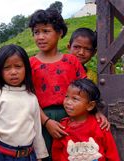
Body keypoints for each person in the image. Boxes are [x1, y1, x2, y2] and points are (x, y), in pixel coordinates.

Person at [28, 9, 109, 161]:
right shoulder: (30, 64)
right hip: (41, 119)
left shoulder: (71, 61)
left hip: (73, 119)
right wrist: (46, 121)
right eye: (36, 32)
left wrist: (95, 111)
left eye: (46, 31)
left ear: (59, 33)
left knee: (73, 155)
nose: (40, 37)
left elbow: (86, 91)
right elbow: (28, 98)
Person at [0, 44, 49, 161]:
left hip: (28, 156)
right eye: (7, 68)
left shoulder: (31, 98)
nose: (13, 72)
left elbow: (37, 131)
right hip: (2, 155)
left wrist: (40, 155)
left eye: (18, 66)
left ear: (26, 69)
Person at [52, 78, 120, 161]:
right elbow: (56, 154)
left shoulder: (100, 126)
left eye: (75, 99)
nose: (68, 102)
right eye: (66, 96)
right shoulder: (62, 127)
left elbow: (112, 154)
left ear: (90, 105)